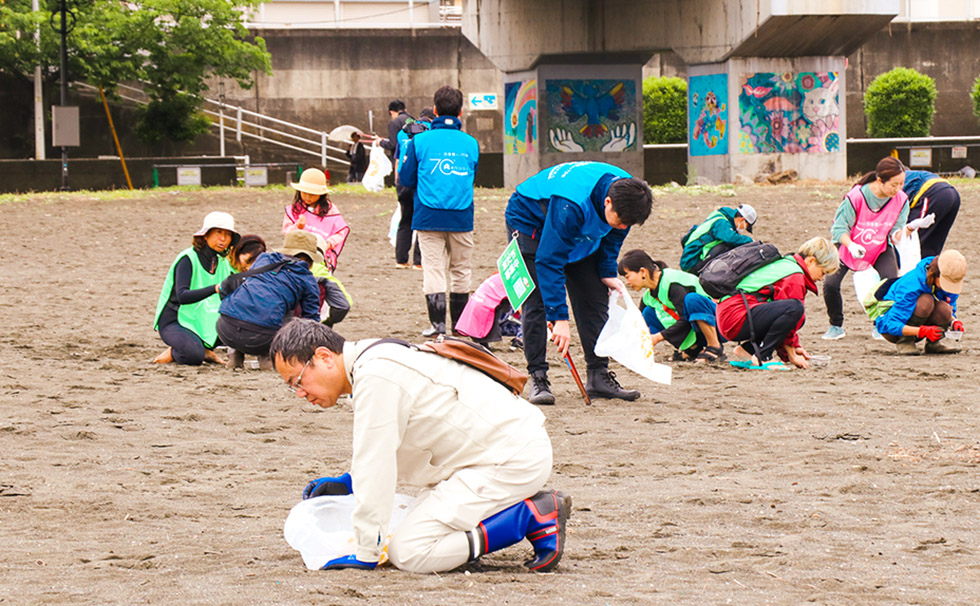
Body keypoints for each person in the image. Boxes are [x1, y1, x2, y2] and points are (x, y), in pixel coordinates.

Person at [270, 319, 571, 574]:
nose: (299, 393)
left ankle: (532, 515)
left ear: (324, 356)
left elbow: (375, 463)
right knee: (413, 524)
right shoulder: (374, 357)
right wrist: (350, 482)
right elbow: (390, 445)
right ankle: (501, 519)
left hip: (510, 458)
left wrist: (366, 554)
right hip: (494, 452)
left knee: (410, 551)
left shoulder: (375, 375)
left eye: (297, 381)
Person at [505, 161, 653, 405]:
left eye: (629, 223)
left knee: (594, 295)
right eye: (621, 220)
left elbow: (614, 235)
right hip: (532, 220)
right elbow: (549, 260)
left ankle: (598, 376)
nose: (624, 226)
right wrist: (559, 318)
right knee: (538, 300)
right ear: (608, 203)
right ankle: (539, 377)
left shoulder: (629, 197)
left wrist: (607, 271)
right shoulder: (571, 204)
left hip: (578, 225)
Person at [398, 87, 479, 337]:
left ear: (434, 110)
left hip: (428, 215)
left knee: (433, 269)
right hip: (461, 215)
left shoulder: (419, 141)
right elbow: (472, 175)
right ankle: (460, 327)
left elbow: (407, 178)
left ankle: (437, 326)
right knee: (461, 269)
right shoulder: (471, 143)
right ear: (461, 112)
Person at [718, 237, 839, 370]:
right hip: (735, 318)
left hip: (728, 315)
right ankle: (763, 356)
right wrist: (791, 354)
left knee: (795, 313)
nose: (822, 278)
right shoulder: (795, 277)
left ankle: (747, 351)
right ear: (811, 261)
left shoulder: (787, 264)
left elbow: (779, 318)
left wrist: (794, 347)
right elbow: (788, 315)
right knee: (795, 309)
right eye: (823, 272)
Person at [822, 156, 909, 340]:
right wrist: (851, 245)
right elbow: (839, 228)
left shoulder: (901, 200)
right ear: (879, 180)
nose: (898, 189)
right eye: (894, 184)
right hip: (849, 246)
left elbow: (895, 233)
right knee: (831, 284)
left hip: (879, 246)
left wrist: (909, 229)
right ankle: (836, 326)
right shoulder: (856, 196)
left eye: (901, 184)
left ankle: (881, 324)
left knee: (891, 282)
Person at [217, 230, 321, 370]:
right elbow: (311, 320)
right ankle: (267, 357)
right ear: (310, 260)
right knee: (279, 311)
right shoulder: (307, 279)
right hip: (261, 339)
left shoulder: (264, 259)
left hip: (224, 328)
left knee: (247, 302)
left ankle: (235, 355)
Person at [153, 211, 239, 366]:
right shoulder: (188, 258)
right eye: (218, 232)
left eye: (228, 235)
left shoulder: (223, 262)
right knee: (193, 356)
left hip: (203, 318)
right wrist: (215, 288)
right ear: (205, 235)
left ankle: (200, 347)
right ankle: (175, 352)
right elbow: (182, 296)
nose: (223, 239)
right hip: (175, 320)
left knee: (240, 330)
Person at [617, 250, 725, 363]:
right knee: (648, 314)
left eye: (627, 276)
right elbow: (637, 325)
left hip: (719, 324)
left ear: (643, 272)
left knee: (692, 300)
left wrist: (658, 337)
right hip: (695, 329)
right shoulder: (648, 296)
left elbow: (685, 319)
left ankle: (714, 347)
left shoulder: (672, 284)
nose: (627, 282)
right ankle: (693, 349)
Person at [870, 250, 966, 355]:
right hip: (892, 330)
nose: (948, 287)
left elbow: (950, 307)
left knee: (945, 308)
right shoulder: (911, 284)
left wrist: (954, 321)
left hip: (922, 327)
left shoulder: (951, 280)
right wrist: (922, 331)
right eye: (946, 282)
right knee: (926, 301)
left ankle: (933, 344)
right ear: (934, 275)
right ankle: (905, 342)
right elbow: (890, 324)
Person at [282, 168, 350, 272]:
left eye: (312, 194)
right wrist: (297, 227)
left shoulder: (331, 211)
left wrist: (328, 244)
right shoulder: (294, 210)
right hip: (297, 255)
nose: (308, 197)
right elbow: (287, 232)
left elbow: (341, 232)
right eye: (304, 193)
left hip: (320, 256)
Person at [393, 107, 435, 269]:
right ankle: (419, 262)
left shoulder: (403, 132)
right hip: (420, 181)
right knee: (422, 222)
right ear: (432, 119)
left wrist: (398, 181)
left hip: (402, 181)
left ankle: (401, 260)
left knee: (405, 220)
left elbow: (398, 159)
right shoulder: (431, 132)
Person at [679, 204, 757, 274]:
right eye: (746, 226)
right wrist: (750, 241)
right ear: (742, 220)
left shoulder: (720, 217)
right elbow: (730, 238)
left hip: (692, 258)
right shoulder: (721, 222)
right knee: (726, 246)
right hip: (691, 262)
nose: (744, 228)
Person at [901, 169, 960, 258]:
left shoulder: (895, 180)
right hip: (953, 194)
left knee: (911, 240)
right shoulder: (914, 175)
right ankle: (930, 269)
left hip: (934, 193)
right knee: (933, 244)